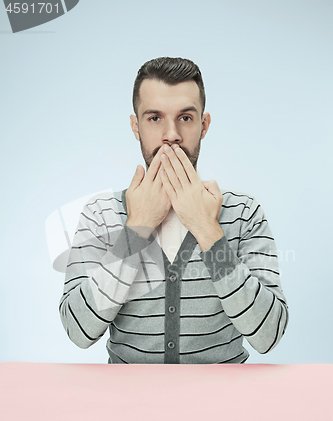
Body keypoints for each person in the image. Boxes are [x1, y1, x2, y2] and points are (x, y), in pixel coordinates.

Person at [59, 56, 289, 364]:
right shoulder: (101, 214)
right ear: (135, 125)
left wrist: (207, 230)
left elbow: (269, 334)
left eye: (185, 118)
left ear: (203, 125)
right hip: (126, 406)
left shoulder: (243, 214)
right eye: (154, 118)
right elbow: (78, 330)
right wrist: (137, 228)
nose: (171, 134)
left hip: (223, 406)